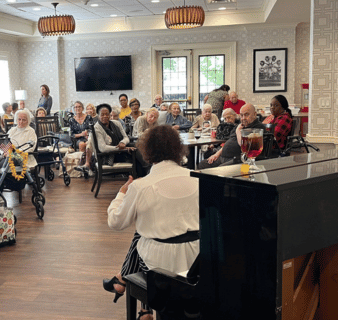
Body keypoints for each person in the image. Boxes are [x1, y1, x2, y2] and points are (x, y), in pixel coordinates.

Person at [103, 125, 199, 320]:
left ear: (147, 151)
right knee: (145, 234)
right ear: (177, 149)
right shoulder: (197, 178)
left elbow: (116, 222)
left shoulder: (141, 186)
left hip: (161, 267)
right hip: (196, 259)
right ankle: (142, 308)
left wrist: (121, 195)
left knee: (143, 236)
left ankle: (141, 304)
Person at [198, 104, 265, 169]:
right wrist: (216, 154)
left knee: (219, 171)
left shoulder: (257, 128)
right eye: (241, 115)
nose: (243, 118)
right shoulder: (240, 125)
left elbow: (244, 146)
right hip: (223, 157)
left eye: (246, 115)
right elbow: (230, 140)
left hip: (237, 159)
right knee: (203, 165)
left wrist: (238, 132)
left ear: (254, 114)